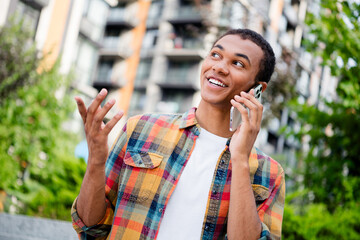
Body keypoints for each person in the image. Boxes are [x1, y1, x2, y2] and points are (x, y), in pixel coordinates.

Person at [71, 28, 285, 240]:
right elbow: (91, 227)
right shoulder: (140, 128)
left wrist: (240, 159)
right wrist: (96, 161)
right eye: (216, 55)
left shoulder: (269, 174)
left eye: (238, 63)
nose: (219, 67)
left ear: (257, 89)